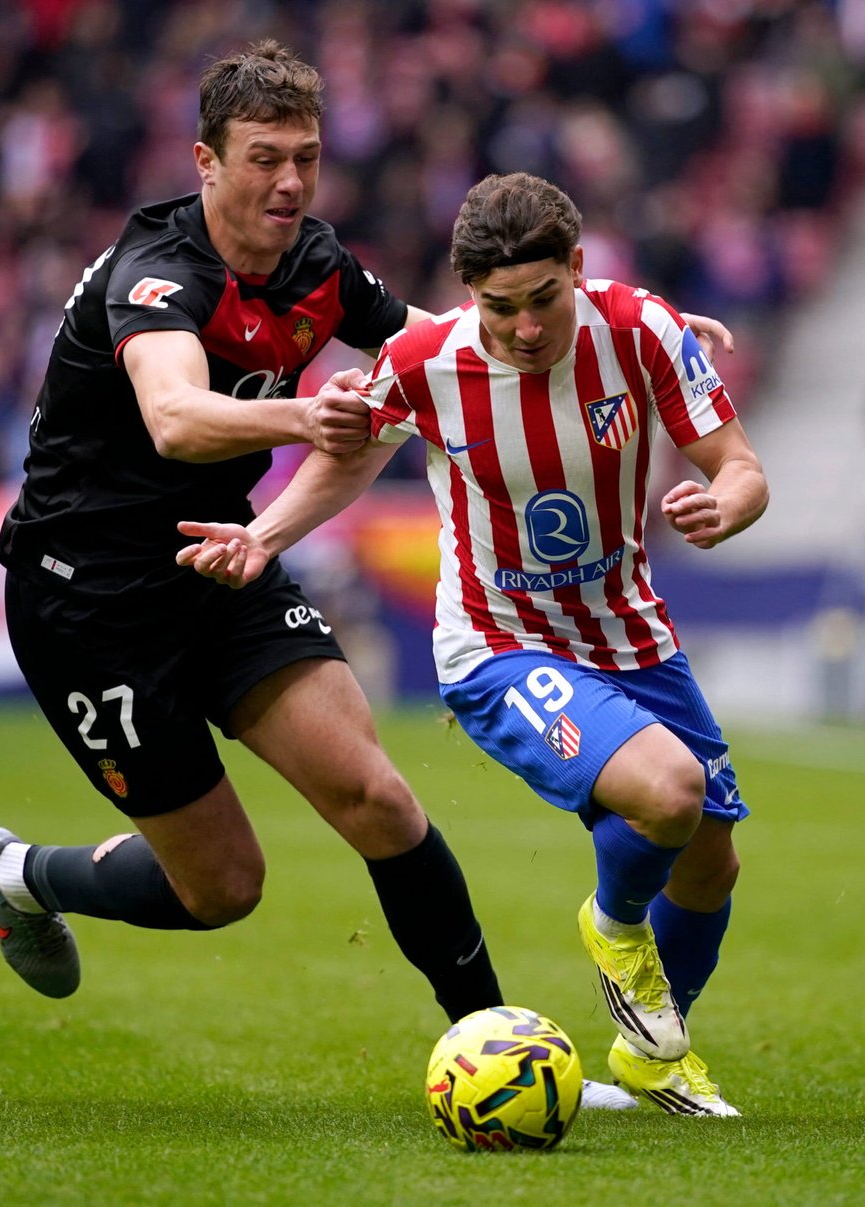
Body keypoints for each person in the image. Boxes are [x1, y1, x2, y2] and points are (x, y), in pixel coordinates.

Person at [177, 172, 769, 1115]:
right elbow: (348, 456)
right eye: (501, 307)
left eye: (545, 299)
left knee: (711, 858)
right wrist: (264, 535)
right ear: (467, 294)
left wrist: (725, 506)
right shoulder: (426, 360)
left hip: (631, 630)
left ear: (578, 268)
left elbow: (738, 466)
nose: (526, 328)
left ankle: (651, 1054)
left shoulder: (643, 330)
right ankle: (616, 926)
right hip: (500, 642)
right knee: (670, 792)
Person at [0, 41, 511, 1034]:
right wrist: (305, 416)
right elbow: (175, 416)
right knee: (224, 887)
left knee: (379, 799)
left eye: (306, 157)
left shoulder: (317, 264)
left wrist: (610, 333)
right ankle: (23, 873)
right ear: (206, 162)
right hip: (89, 606)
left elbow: (444, 350)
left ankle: (491, 1036)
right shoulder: (156, 274)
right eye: (265, 158)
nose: (290, 182)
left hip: (224, 561)